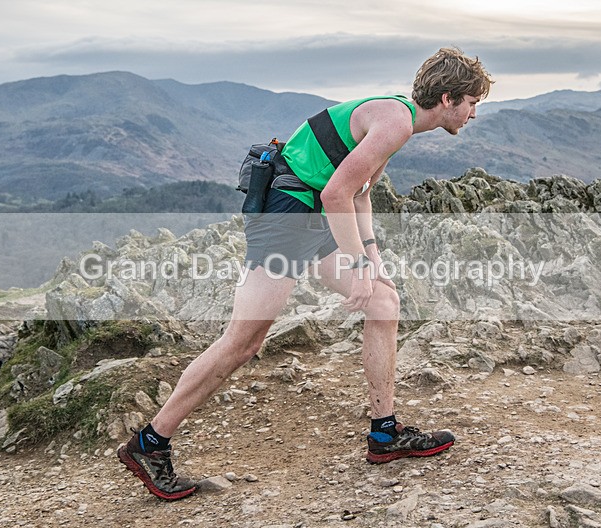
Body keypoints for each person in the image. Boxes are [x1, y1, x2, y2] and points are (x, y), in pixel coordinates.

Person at [118, 46, 493, 500]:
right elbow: (338, 193)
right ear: (449, 97)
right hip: (289, 213)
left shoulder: (401, 119)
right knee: (244, 341)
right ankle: (150, 443)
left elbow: (359, 194)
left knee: (383, 301)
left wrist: (372, 259)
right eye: (473, 102)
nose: (474, 113)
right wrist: (356, 265)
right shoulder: (396, 122)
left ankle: (384, 433)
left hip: (312, 209)